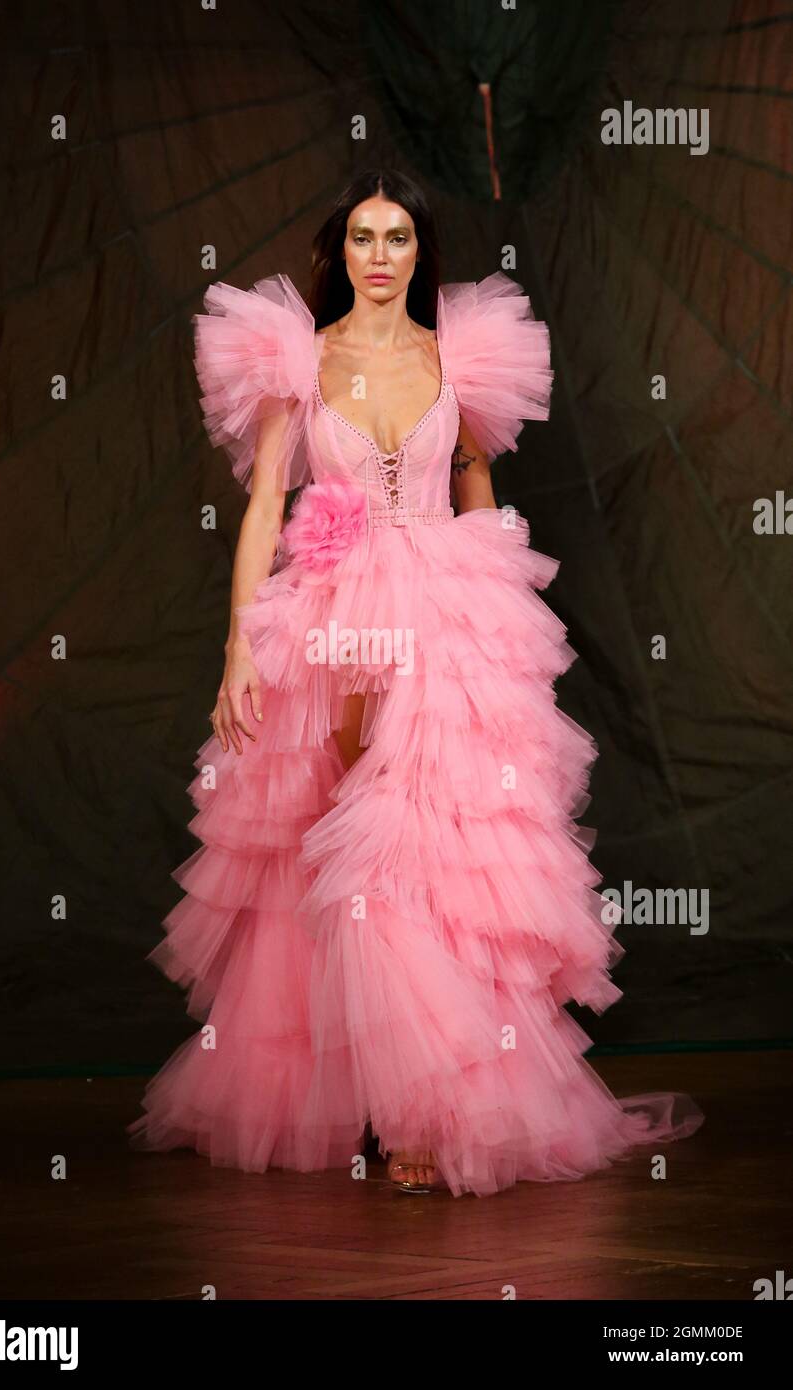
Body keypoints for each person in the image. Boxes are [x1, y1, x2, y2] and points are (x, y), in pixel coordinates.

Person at [127, 168, 704, 1196]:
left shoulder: (457, 354)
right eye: (362, 236)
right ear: (339, 253)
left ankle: (427, 1110)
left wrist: (497, 606)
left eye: (396, 236)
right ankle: (375, 1098)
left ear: (416, 253)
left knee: (435, 848)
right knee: (350, 845)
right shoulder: (297, 361)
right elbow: (265, 502)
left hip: (445, 604)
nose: (380, 254)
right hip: (336, 617)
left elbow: (475, 476)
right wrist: (236, 646)